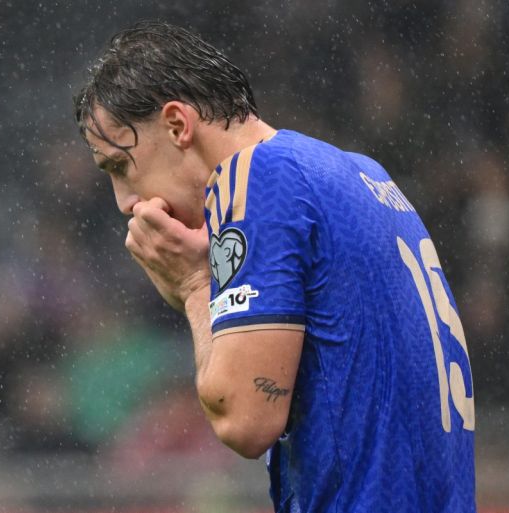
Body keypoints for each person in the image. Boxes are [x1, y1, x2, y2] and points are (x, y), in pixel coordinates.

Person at [73, 20, 475, 513]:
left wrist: (196, 285)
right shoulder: (361, 172)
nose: (124, 202)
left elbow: (244, 420)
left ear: (177, 125)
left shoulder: (257, 176)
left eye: (120, 166)